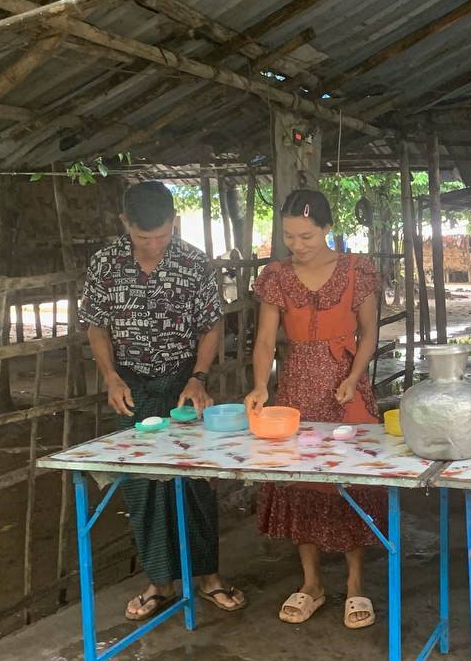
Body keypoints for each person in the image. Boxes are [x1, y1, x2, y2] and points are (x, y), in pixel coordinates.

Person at [80, 180, 244, 621]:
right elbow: (96, 325)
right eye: (142, 237)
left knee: (195, 482)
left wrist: (198, 378)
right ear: (125, 225)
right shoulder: (104, 264)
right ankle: (161, 583)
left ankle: (208, 577)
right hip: (132, 388)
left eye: (162, 236)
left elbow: (211, 326)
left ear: (174, 222)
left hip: (182, 386)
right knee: (142, 487)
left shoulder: (193, 263)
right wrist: (111, 377)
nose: (153, 246)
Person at [245, 190, 384, 630]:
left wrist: (353, 376)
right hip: (297, 390)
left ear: (327, 228)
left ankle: (356, 584)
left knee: (350, 481)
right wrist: (259, 386)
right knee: (300, 480)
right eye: (289, 236)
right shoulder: (276, 276)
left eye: (306, 236)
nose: (297, 245)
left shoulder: (356, 270)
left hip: (347, 385)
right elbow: (266, 340)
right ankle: (311, 583)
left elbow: (368, 333)